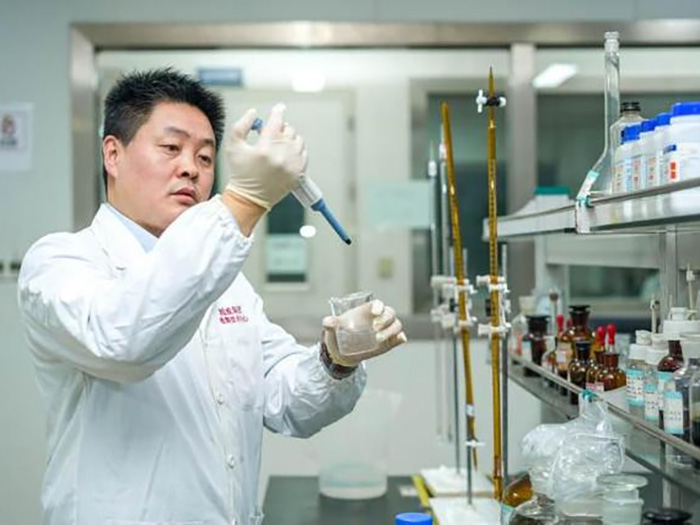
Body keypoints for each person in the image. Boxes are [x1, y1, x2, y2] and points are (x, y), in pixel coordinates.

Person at [17, 68, 407, 525]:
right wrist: (245, 200)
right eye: (171, 148)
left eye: (205, 157)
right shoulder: (60, 263)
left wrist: (335, 359)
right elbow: (123, 341)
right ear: (113, 154)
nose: (191, 168)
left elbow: (286, 402)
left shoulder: (227, 282)